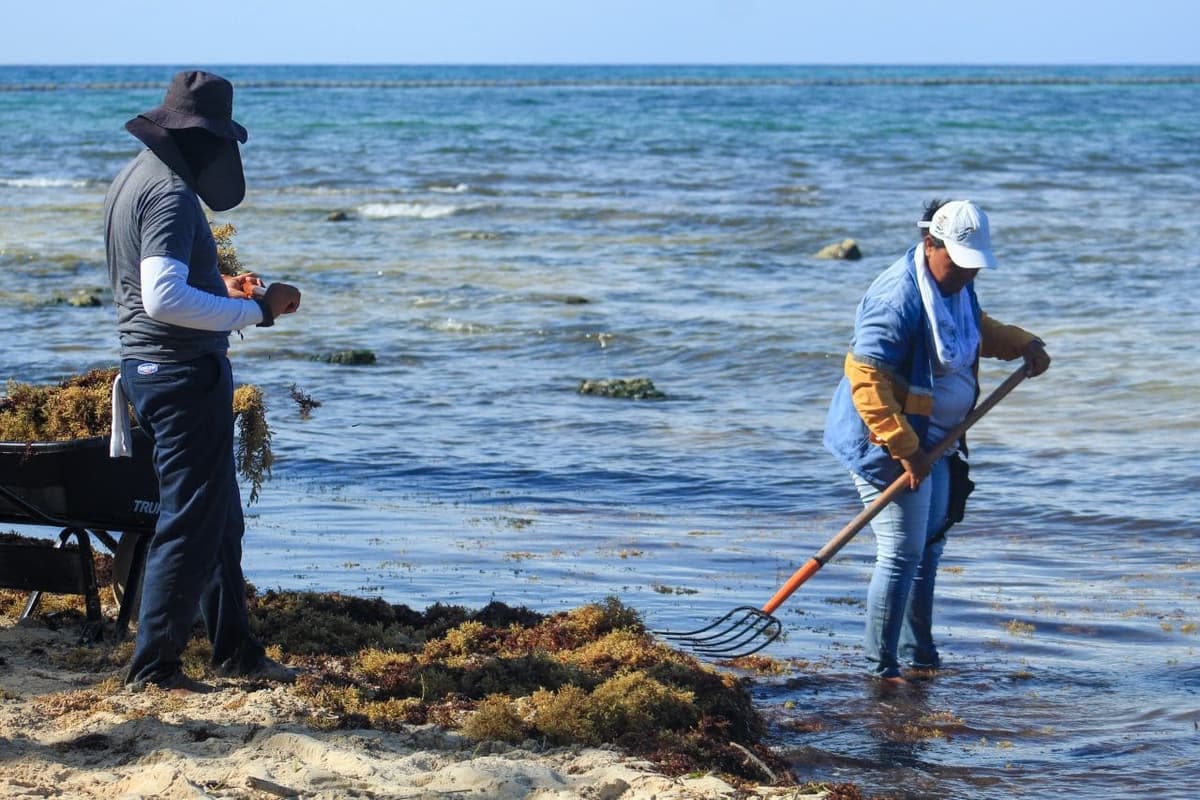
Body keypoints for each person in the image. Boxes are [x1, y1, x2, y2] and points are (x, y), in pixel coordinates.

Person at [104, 70, 302, 693]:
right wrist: (258, 311)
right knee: (190, 521)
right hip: (180, 373)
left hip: (151, 369)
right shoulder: (169, 193)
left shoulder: (131, 179)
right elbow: (162, 299)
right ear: (201, 141)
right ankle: (155, 668)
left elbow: (151, 283)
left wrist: (222, 288)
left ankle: (236, 651)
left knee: (218, 518)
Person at [823, 199, 1051, 682]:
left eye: (974, 266)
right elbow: (866, 382)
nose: (967, 275)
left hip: (938, 440)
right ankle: (880, 671)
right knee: (902, 552)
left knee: (929, 546)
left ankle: (920, 657)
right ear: (931, 243)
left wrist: (1021, 344)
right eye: (959, 263)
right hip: (885, 442)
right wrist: (906, 451)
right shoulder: (896, 300)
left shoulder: (957, 285)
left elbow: (975, 329)